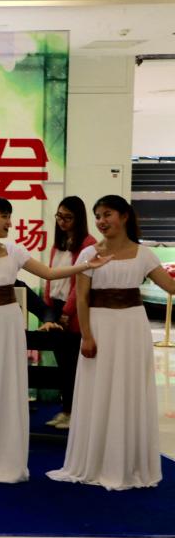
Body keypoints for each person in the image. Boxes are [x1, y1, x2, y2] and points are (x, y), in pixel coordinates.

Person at [0, 195, 109, 483]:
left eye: (9, 216)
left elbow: (49, 273)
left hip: (9, 323)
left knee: (8, 383)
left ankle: (4, 453)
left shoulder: (14, 251)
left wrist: (85, 266)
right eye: (4, 217)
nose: (10, 222)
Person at [47, 195, 175, 490]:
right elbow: (81, 298)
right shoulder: (89, 253)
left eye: (107, 215)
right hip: (99, 327)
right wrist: (87, 335)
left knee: (128, 388)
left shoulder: (143, 254)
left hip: (132, 328)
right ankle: (96, 459)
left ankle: (126, 461)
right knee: (99, 388)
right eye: (98, 216)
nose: (101, 221)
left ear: (124, 216)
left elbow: (170, 286)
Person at [40, 196, 95, 429]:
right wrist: (47, 307)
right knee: (62, 366)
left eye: (68, 217)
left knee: (73, 366)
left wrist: (67, 312)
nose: (62, 221)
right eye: (59, 216)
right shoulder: (59, 242)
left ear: (78, 218)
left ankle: (76, 413)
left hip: (72, 312)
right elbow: (50, 275)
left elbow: (80, 285)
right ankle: (66, 410)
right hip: (55, 307)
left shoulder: (88, 244)